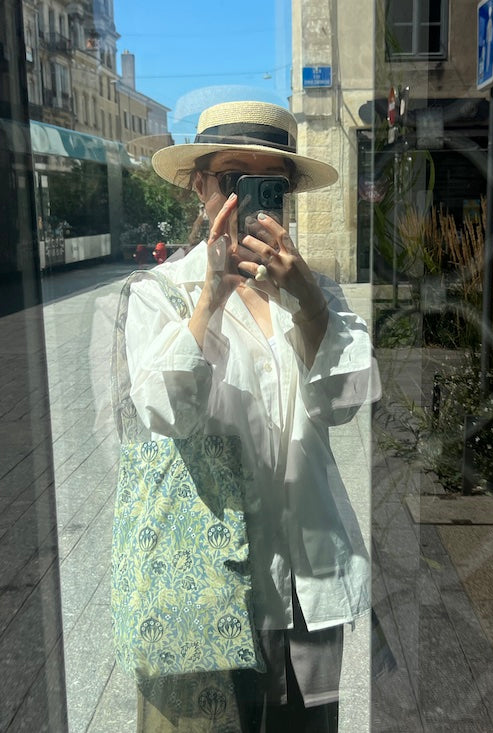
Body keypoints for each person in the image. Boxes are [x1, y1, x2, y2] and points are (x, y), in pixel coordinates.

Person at [121, 100, 381, 732]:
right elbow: (164, 411)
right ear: (200, 186)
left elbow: (348, 401)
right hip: (206, 588)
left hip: (306, 582)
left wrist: (311, 305)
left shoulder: (316, 293)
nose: (252, 199)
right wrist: (210, 299)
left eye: (272, 185)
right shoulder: (162, 294)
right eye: (234, 179)